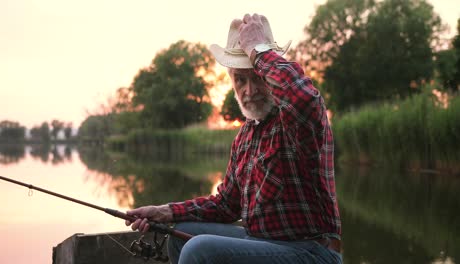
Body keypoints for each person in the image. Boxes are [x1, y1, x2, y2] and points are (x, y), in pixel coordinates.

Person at [125, 13, 342, 264]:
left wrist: (256, 49)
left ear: (268, 72)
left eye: (257, 77)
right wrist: (164, 212)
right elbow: (226, 205)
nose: (249, 91)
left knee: (199, 251)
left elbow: (302, 98)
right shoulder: (245, 136)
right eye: (240, 79)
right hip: (262, 243)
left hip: (312, 252)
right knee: (181, 235)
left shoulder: (295, 121)